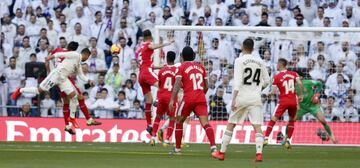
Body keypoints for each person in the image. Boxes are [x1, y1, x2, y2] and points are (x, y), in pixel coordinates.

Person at [212, 38, 270, 162]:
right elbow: (267, 81)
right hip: (255, 97)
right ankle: (259, 154)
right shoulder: (260, 62)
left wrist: (233, 99)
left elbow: (237, 82)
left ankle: (221, 153)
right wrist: (258, 89)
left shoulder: (239, 60)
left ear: (243, 48)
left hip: (242, 97)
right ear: (253, 48)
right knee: (257, 126)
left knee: (231, 124)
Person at [11, 48, 93, 132]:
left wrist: (88, 80)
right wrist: (51, 57)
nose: (87, 58)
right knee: (39, 91)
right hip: (56, 75)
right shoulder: (75, 54)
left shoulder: (78, 63)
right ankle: (20, 90)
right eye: (88, 57)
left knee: (74, 97)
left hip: (63, 79)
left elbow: (81, 75)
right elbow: (61, 54)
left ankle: (72, 119)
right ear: (86, 55)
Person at [168, 46, 217, 156]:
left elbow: (177, 84)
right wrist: (199, 94)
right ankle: (213, 147)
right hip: (201, 98)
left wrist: (172, 99)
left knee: (179, 121)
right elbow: (206, 86)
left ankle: (177, 150)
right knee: (205, 123)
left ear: (182, 57)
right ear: (194, 56)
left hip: (188, 99)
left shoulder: (181, 67)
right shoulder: (201, 67)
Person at [48, 42, 101, 135]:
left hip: (55, 78)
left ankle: (67, 126)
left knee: (65, 102)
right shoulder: (72, 56)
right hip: (65, 79)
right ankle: (88, 119)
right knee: (80, 97)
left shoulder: (58, 50)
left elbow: (49, 56)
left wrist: (50, 71)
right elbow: (79, 73)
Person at [138, 29, 174, 133]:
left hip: (141, 74)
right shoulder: (148, 44)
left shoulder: (140, 48)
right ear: (150, 37)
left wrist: (159, 67)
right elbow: (152, 46)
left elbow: (146, 62)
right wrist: (167, 43)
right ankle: (158, 101)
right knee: (162, 84)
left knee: (149, 99)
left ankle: (149, 125)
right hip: (146, 72)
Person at [263, 58, 303, 149]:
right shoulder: (294, 74)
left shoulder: (276, 77)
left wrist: (268, 94)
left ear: (281, 65)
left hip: (283, 102)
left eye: (277, 64)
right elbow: (300, 84)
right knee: (291, 120)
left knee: (273, 119)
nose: (276, 65)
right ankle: (288, 141)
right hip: (293, 101)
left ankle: (265, 138)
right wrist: (300, 95)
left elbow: (273, 92)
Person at [292, 73, 337, 144]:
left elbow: (320, 84)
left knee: (323, 121)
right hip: (302, 107)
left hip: (313, 105)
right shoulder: (293, 86)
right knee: (291, 121)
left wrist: (317, 94)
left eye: (297, 77)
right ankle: (286, 138)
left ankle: (333, 138)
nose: (295, 78)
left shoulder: (308, 82)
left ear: (301, 77)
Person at [150, 51, 177, 146]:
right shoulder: (177, 70)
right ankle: (167, 140)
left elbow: (160, 85)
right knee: (172, 119)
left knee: (158, 117)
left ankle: (153, 137)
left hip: (161, 96)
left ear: (167, 58)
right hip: (171, 98)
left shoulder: (162, 71)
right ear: (175, 58)